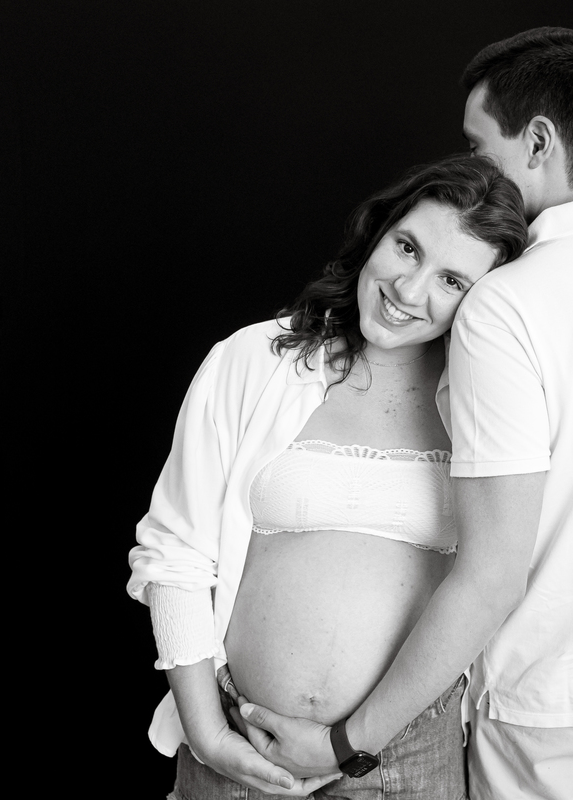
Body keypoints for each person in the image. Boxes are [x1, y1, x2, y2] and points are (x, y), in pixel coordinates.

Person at [239, 26, 573, 799]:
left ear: (537, 141)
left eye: (477, 144)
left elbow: (491, 576)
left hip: (544, 697)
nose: (469, 166)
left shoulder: (503, 304)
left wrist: (345, 745)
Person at [126, 154, 528, 799]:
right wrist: (206, 733)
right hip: (239, 739)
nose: (408, 290)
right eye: (407, 247)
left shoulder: (490, 409)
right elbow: (175, 552)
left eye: (452, 280)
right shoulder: (255, 359)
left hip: (406, 758)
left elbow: (507, 569)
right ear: (379, 232)